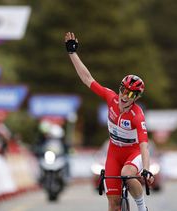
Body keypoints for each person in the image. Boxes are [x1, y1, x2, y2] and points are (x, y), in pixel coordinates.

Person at [65, 32, 154, 211]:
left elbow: (144, 145)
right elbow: (87, 79)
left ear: (136, 97)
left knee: (127, 174)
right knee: (113, 204)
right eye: (123, 90)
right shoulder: (110, 98)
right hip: (113, 153)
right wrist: (72, 54)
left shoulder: (137, 115)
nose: (124, 96)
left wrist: (146, 169)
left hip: (132, 153)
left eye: (130, 94)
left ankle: (142, 207)